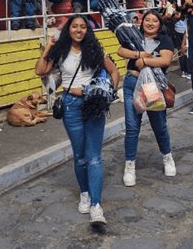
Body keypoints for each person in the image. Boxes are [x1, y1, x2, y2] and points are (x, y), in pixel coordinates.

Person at [34, 14, 119, 228]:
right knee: (80, 156)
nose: (79, 30)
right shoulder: (61, 50)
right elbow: (40, 71)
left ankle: (96, 206)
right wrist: (49, 45)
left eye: (83, 27)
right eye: (74, 26)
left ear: (87, 30)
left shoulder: (95, 50)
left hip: (93, 104)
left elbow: (114, 71)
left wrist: (109, 91)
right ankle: (84, 194)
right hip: (71, 105)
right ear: (68, 30)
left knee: (94, 157)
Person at [117, 11, 176, 183]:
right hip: (131, 83)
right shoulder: (134, 36)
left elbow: (165, 60)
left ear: (160, 24)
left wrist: (145, 62)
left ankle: (167, 157)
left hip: (152, 87)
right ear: (142, 22)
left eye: (154, 21)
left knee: (159, 125)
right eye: (147, 20)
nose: (150, 23)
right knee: (132, 127)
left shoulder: (165, 39)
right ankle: (130, 165)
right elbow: (121, 50)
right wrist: (139, 55)